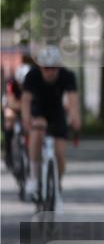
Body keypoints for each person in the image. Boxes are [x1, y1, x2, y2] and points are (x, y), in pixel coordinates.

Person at [20, 46, 80, 208]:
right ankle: (33, 176)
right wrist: (26, 119)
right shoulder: (32, 75)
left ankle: (56, 182)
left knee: (60, 154)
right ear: (40, 67)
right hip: (38, 109)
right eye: (46, 68)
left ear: (59, 67)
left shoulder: (68, 76)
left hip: (57, 112)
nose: (50, 72)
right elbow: (25, 100)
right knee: (37, 130)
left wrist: (75, 118)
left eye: (54, 68)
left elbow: (73, 100)